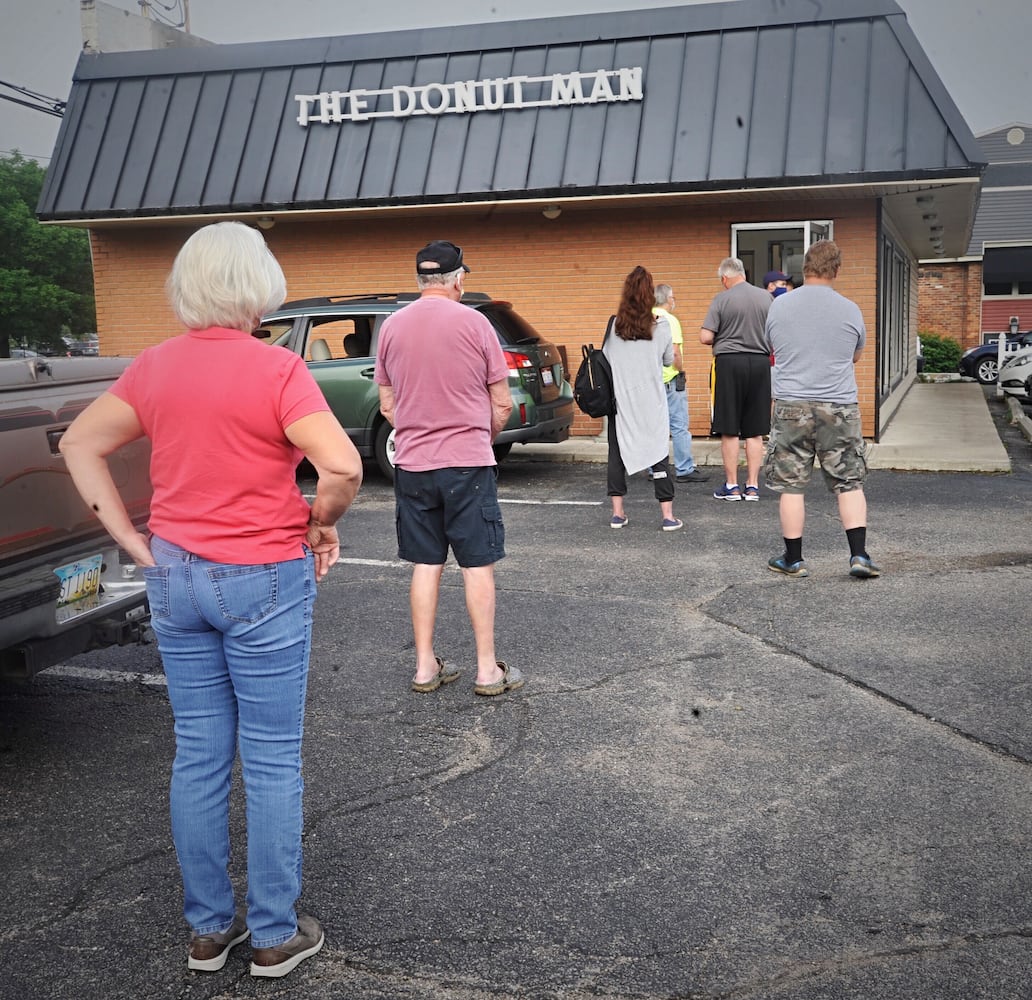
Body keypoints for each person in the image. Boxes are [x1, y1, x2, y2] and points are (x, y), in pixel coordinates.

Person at [58, 221, 363, 979]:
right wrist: (319, 524)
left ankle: (205, 932)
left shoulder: (154, 368)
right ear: (259, 286)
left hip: (175, 573)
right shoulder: (277, 369)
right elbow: (344, 467)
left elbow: (77, 443)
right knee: (268, 759)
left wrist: (134, 543)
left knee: (197, 752)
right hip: (261, 574)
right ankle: (271, 935)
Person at [375, 240, 524, 697]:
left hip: (414, 464)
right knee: (477, 563)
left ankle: (424, 667)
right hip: (467, 463)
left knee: (425, 562)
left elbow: (387, 405)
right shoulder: (476, 324)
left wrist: (421, 428)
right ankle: (486, 670)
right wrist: (478, 436)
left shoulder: (392, 328)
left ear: (421, 280)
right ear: (458, 279)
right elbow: (501, 403)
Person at [763, 239, 880, 579]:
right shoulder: (850, 309)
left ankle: (793, 559)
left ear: (805, 269)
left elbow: (773, 346)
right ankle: (859, 555)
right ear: (837, 270)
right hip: (839, 406)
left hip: (790, 405)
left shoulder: (779, 307)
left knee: (791, 485)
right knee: (849, 481)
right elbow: (855, 355)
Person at [604, 265, 682, 532]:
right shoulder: (660, 327)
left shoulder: (614, 326)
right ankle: (667, 516)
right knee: (658, 453)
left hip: (621, 401)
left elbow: (606, 358)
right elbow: (669, 360)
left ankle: (618, 514)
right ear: (650, 295)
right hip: (652, 400)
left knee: (616, 455)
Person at [700, 257, 774, 502]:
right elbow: (775, 334)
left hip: (730, 363)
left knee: (730, 429)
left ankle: (731, 486)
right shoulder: (766, 297)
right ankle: (752, 486)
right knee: (755, 431)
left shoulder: (722, 299)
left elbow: (705, 336)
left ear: (725, 278)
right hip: (761, 364)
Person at [654, 283, 708, 484]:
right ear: (668, 299)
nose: (674, 300)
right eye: (673, 297)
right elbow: (675, 352)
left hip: (652, 380)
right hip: (670, 378)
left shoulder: (645, 319)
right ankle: (684, 468)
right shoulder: (670, 320)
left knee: (655, 426)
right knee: (679, 425)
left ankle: (655, 470)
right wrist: (680, 370)